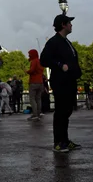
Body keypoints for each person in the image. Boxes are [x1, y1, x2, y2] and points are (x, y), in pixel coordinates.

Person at [40, 14, 82, 153]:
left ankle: (65, 140)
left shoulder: (65, 41)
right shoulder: (53, 42)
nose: (71, 25)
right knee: (61, 111)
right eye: (69, 23)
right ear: (63, 25)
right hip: (60, 81)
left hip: (69, 80)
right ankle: (58, 142)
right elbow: (44, 60)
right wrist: (59, 64)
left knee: (67, 110)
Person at [26, 49, 45, 121]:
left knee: (32, 99)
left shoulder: (34, 61)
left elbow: (32, 70)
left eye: (29, 54)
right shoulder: (40, 61)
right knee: (38, 99)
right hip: (40, 82)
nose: (29, 55)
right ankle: (39, 113)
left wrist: (26, 71)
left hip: (33, 82)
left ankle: (35, 114)